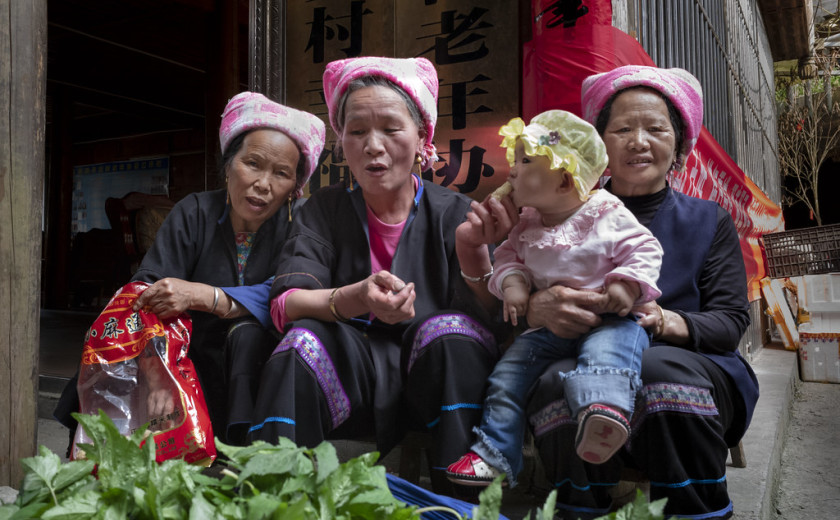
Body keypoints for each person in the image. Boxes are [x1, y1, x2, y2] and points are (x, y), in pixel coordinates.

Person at [247, 56, 503, 495]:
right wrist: (358, 296)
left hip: (438, 379)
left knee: (450, 332)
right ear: (341, 142)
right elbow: (285, 305)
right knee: (300, 343)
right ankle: (273, 496)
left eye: (390, 128)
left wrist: (474, 253)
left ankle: (459, 505)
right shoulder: (323, 210)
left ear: (422, 137)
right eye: (357, 131)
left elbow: (495, 320)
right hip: (352, 372)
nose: (373, 146)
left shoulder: (457, 214)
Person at [514, 66, 758, 519]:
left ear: (678, 144)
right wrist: (535, 308)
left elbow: (729, 322)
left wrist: (665, 321)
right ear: (597, 144)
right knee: (556, 380)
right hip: (579, 353)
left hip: (690, 363)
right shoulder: (552, 215)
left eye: (656, 129)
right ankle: (581, 508)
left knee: (657, 369)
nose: (638, 142)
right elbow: (514, 288)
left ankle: (695, 511)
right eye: (623, 129)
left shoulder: (708, 220)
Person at [55, 92, 326, 445]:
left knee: (248, 336)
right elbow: (144, 293)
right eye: (253, 164)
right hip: (185, 353)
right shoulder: (194, 212)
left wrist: (204, 295)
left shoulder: (300, 222)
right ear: (228, 165)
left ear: (294, 188)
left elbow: (292, 291)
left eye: (281, 173)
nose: (263, 183)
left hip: (257, 360)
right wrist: (157, 375)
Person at [445, 110, 663, 488]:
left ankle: (603, 417)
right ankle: (495, 454)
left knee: (606, 356)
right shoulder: (526, 222)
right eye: (514, 160)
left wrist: (626, 285)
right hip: (547, 329)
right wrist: (514, 285)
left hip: (610, 318)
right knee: (506, 377)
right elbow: (508, 259)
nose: (512, 171)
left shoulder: (605, 211)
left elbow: (645, 249)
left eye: (525, 161)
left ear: (565, 179)